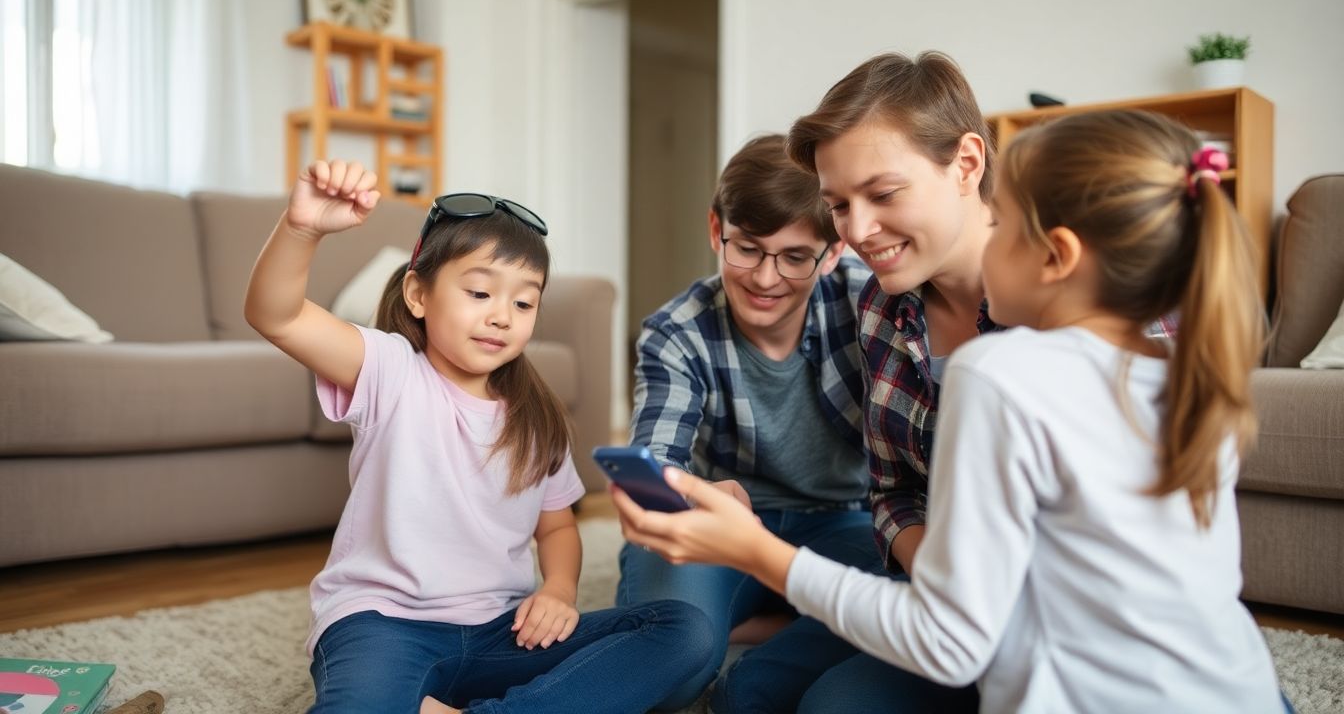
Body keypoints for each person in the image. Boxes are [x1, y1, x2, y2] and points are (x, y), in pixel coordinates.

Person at [614, 108, 1288, 713]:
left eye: (1002, 228)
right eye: (844, 204)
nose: (983, 244)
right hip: (1242, 687)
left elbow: (952, 638)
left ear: (1056, 255)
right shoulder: (1197, 374)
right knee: (741, 679)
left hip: (966, 624)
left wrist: (759, 553)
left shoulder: (996, 371)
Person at [244, 160, 713, 714]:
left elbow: (558, 524)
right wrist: (303, 229)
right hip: (383, 626)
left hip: (501, 633)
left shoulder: (538, 418)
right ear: (418, 296)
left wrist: (559, 590)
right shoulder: (391, 370)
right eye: (479, 293)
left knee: (683, 631)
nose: (501, 317)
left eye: (523, 302)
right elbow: (276, 316)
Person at [616, 134, 885, 712]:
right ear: (717, 231)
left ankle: (751, 636)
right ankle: (755, 623)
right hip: (720, 523)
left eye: (794, 257)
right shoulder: (674, 332)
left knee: (906, 590)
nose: (765, 279)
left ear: (833, 252)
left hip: (844, 525)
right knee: (670, 670)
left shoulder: (873, 302)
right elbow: (656, 467)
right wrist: (699, 494)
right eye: (747, 249)